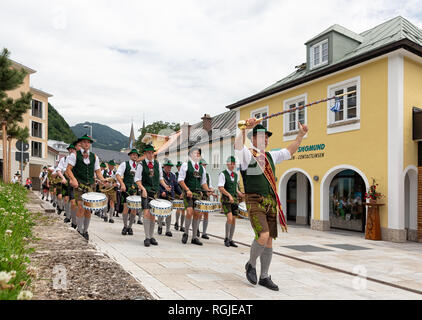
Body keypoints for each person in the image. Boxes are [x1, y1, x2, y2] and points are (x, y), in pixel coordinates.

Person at [235, 120, 308, 291]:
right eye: (261, 136)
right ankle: (251, 265)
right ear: (253, 139)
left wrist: (300, 135)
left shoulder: (271, 157)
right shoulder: (247, 155)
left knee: (269, 241)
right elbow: (238, 145)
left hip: (271, 202)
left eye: (266, 137)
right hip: (255, 200)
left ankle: (264, 276)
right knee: (263, 234)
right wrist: (244, 128)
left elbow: (290, 150)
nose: (265, 140)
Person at [66, 134, 106, 240]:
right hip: (79, 185)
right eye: (84, 142)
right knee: (81, 206)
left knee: (88, 209)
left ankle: (85, 230)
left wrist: (102, 180)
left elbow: (98, 171)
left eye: (88, 142)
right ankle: (79, 230)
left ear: (90, 144)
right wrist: (73, 179)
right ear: (80, 143)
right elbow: (68, 169)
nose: (86, 144)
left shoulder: (94, 156)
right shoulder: (74, 155)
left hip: (91, 186)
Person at [134, 144, 171, 247]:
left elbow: (160, 178)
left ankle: (151, 236)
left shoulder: (158, 164)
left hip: (155, 191)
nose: (150, 155)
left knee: (153, 215)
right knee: (146, 213)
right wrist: (143, 189)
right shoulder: (141, 164)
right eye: (148, 153)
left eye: (152, 153)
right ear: (145, 154)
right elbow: (137, 179)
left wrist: (165, 186)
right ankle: (147, 237)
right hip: (145, 191)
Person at [178, 147, 214, 246]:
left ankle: (194, 237)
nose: (196, 155)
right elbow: (180, 180)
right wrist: (187, 190)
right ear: (190, 155)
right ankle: (185, 233)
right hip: (188, 192)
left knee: (197, 214)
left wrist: (208, 191)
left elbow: (203, 183)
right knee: (189, 212)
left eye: (198, 153)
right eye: (194, 153)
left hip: (198, 194)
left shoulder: (202, 168)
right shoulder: (185, 165)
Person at [218, 156, 244, 247]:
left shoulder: (235, 175)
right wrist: (229, 195)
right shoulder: (223, 174)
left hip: (234, 200)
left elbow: (235, 188)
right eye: (231, 163)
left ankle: (231, 239)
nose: (232, 165)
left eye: (234, 164)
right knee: (229, 218)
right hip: (226, 200)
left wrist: (240, 193)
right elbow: (220, 187)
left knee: (233, 220)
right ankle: (226, 238)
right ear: (227, 164)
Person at [116, 149, 140, 236]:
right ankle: (125, 226)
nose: (135, 156)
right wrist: (122, 184)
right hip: (126, 188)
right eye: (133, 155)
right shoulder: (124, 164)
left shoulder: (139, 166)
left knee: (134, 209)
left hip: (135, 189)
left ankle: (130, 227)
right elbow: (118, 175)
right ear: (130, 155)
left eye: (136, 155)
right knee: (126, 207)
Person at [157, 158, 182, 237]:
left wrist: (180, 193)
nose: (169, 168)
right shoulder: (160, 174)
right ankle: (160, 226)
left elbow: (176, 186)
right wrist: (162, 192)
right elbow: (157, 185)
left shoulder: (173, 175)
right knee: (161, 213)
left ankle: (168, 230)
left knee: (169, 213)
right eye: (168, 166)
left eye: (170, 167)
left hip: (170, 196)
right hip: (162, 196)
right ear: (164, 167)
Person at [55, 144, 76, 223]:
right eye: (70, 149)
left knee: (74, 200)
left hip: (75, 179)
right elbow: (58, 169)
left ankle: (74, 219)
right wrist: (63, 178)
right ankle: (68, 216)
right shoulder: (64, 159)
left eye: (73, 149)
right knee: (66, 198)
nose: (71, 150)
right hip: (66, 178)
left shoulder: (77, 159)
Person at [198, 159, 212, 239]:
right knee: (199, 213)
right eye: (203, 165)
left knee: (206, 213)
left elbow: (210, 185)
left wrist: (211, 190)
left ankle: (204, 232)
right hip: (200, 195)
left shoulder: (207, 175)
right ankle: (196, 228)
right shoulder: (198, 173)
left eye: (205, 165)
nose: (204, 167)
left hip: (206, 195)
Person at [174, 161, 186, 232]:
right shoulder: (175, 175)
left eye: (181, 166)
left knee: (183, 210)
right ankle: (177, 222)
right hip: (177, 193)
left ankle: (182, 225)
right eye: (179, 167)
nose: (180, 168)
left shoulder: (184, 174)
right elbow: (176, 185)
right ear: (177, 167)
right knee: (178, 208)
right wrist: (179, 193)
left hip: (183, 193)